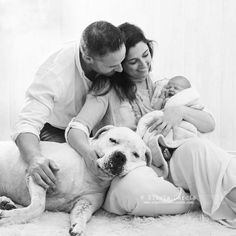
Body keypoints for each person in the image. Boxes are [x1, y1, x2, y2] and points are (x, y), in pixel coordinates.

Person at [66, 22, 236, 228]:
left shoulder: (163, 87)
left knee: (200, 149)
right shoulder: (106, 88)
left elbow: (209, 123)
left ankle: (212, 192)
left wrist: (178, 111)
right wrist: (88, 155)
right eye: (133, 62)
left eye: (146, 54)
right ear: (120, 64)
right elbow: (77, 129)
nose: (144, 65)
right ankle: (198, 199)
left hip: (168, 161)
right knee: (135, 192)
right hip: (130, 170)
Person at [12, 21, 126, 191]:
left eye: (122, 61)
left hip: (94, 131)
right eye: (112, 65)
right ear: (88, 58)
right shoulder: (54, 73)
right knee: (67, 178)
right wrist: (34, 158)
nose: (121, 69)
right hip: (55, 130)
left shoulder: (109, 58)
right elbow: (27, 123)